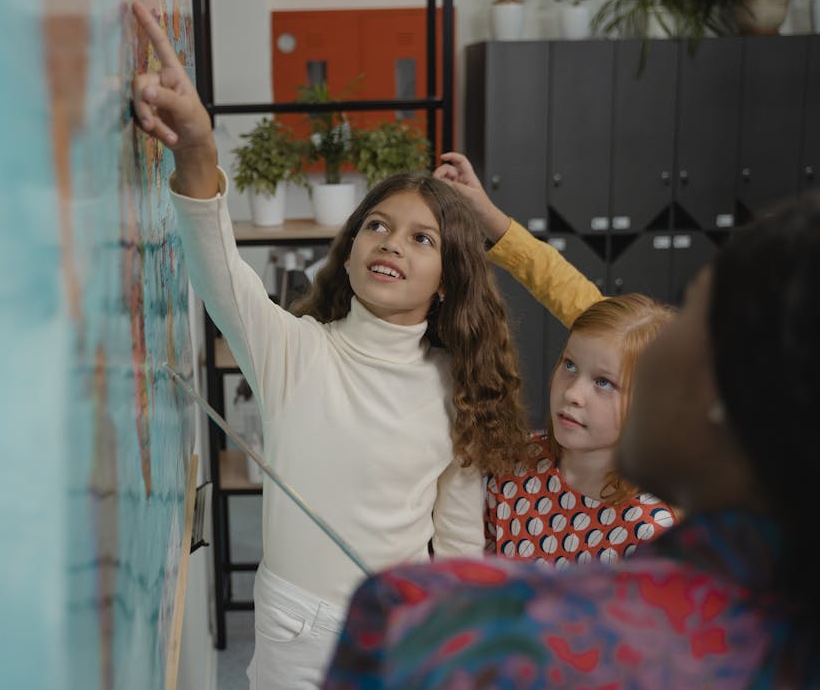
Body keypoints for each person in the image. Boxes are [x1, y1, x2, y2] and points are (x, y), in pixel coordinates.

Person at [129, 1, 530, 689]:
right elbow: (220, 273)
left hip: (401, 626)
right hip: (298, 628)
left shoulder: (458, 384)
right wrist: (196, 150)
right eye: (376, 226)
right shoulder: (298, 350)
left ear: (447, 281)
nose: (391, 244)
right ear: (346, 255)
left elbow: (459, 541)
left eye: (420, 238)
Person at [323, 189, 820, 688]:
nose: (578, 392)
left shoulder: (409, 623)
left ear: (727, 394)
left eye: (690, 310)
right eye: (570, 366)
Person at [432, 152, 679, 565]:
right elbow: (560, 285)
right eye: (568, 366)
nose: (574, 394)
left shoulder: (650, 534)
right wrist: (486, 214)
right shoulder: (514, 468)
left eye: (604, 382)